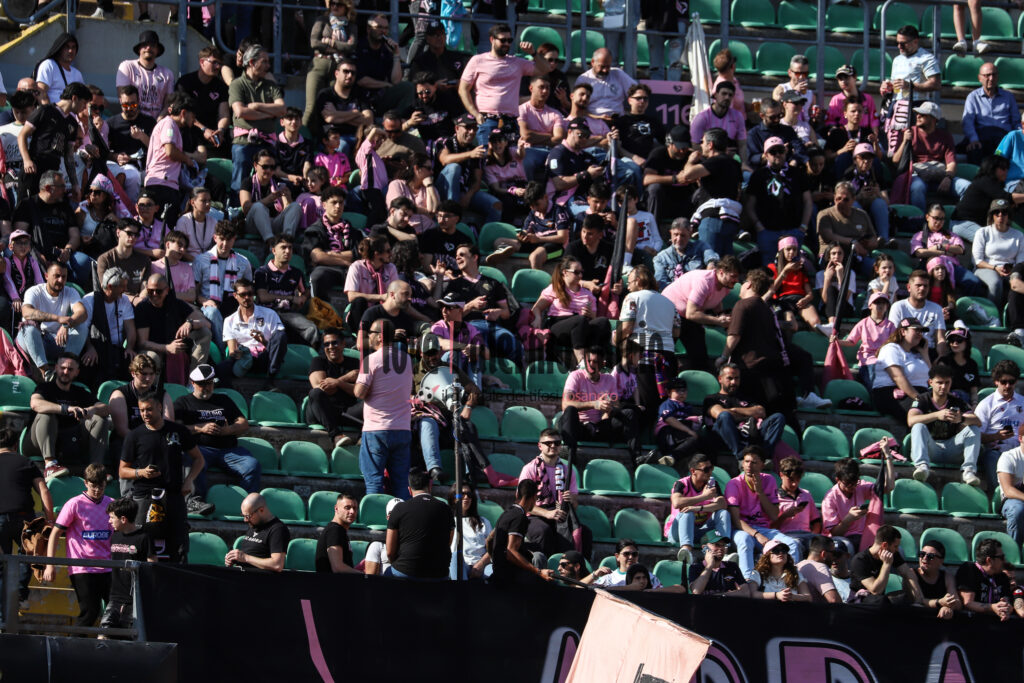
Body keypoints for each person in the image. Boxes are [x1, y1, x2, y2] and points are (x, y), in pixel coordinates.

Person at [119, 392, 203, 563]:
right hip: (144, 496)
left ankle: (177, 577)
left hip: (173, 495)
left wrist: (189, 480)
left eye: (149, 409)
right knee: (143, 544)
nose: (145, 414)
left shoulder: (178, 431)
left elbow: (199, 459)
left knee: (179, 546)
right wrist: (141, 472)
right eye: (142, 410)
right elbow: (122, 471)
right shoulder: (134, 435)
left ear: (159, 407)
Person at [174, 363, 261, 503]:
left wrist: (229, 430)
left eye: (210, 383)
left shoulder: (223, 399)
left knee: (252, 465)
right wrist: (200, 428)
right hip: (200, 449)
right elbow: (175, 428)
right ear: (193, 383)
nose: (207, 387)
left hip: (229, 450)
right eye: (202, 384)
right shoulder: (183, 402)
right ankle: (196, 501)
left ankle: (248, 505)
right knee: (192, 460)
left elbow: (244, 423)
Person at [41, 464, 112, 627]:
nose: (97, 490)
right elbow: (55, 533)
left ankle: (108, 640)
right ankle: (73, 641)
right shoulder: (75, 504)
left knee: (115, 610)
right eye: (93, 486)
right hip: (82, 567)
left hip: (108, 567)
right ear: (86, 483)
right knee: (90, 611)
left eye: (101, 486)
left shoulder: (111, 504)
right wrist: (50, 565)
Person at [458, 24, 549, 146]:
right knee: (487, 156)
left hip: (510, 121)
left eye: (509, 40)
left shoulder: (517, 62)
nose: (506, 43)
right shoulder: (478, 60)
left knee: (511, 156)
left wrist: (533, 53)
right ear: (492, 40)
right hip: (487, 119)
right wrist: (475, 114)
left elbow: (545, 69)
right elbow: (463, 89)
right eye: (503, 40)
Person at [28, 352, 109, 482]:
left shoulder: (79, 392)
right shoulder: (45, 388)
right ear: (56, 368)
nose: (65, 372)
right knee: (46, 414)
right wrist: (66, 409)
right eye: (63, 368)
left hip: (71, 439)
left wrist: (91, 410)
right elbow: (35, 404)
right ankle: (50, 464)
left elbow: (105, 408)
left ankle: (96, 469)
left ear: (77, 372)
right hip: (39, 440)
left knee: (99, 419)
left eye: (70, 369)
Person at [0, 427, 54, 621]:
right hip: (24, 518)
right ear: (16, 445)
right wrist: (49, 520)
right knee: (30, 555)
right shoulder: (25, 462)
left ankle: (2, 619)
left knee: (1, 566)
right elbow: (43, 490)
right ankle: (20, 594)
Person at [356, 319, 413, 497]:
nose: (369, 338)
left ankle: (374, 515)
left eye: (371, 334)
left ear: (380, 337)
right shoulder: (407, 359)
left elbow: (359, 392)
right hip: (402, 428)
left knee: (374, 483)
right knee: (401, 485)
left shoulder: (370, 360)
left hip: (376, 430)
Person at [559, 346, 641, 466]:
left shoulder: (609, 379)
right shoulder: (575, 376)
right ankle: (570, 455)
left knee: (629, 413)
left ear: (603, 364)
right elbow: (565, 404)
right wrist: (594, 404)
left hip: (600, 427)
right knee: (570, 410)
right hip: (580, 427)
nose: (591, 365)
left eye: (596, 362)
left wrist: (609, 407)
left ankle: (637, 457)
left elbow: (616, 404)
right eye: (589, 361)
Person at [517, 427, 587, 560]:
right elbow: (522, 504)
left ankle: (577, 568)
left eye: (557, 443)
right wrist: (547, 513)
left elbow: (575, 505)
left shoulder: (567, 470)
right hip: (534, 516)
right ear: (540, 446)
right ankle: (543, 568)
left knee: (584, 533)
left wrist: (571, 500)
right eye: (548, 443)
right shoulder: (530, 469)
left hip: (560, 513)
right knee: (544, 531)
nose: (553, 446)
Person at [445, 244, 521, 365]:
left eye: (462, 255)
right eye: (456, 256)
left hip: (493, 326)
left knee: (514, 344)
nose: (457, 258)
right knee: (479, 345)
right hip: (469, 325)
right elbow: (449, 317)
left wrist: (498, 312)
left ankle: (515, 375)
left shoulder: (493, 283)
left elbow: (506, 312)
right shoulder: (454, 285)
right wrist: (471, 305)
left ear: (475, 257)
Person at [908, 364, 983, 485]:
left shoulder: (956, 401)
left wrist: (961, 418)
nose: (943, 386)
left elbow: (977, 421)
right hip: (931, 448)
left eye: (947, 383)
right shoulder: (922, 399)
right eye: (939, 382)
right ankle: (922, 466)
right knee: (918, 426)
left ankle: (968, 471)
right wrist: (936, 415)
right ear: (931, 382)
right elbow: (911, 420)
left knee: (973, 429)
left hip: (952, 448)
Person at [663, 255, 740, 372]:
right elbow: (691, 314)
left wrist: (721, 314)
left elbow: (716, 300)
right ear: (721, 272)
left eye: (738, 277)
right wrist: (718, 321)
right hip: (670, 314)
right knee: (666, 356)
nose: (737, 280)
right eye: (733, 276)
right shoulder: (705, 282)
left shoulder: (726, 284)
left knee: (700, 357)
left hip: (687, 316)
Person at [228, 45, 287, 193]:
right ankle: (237, 205)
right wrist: (269, 113)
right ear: (252, 62)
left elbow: (282, 109)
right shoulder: (237, 84)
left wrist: (256, 106)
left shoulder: (271, 86)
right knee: (240, 180)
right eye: (264, 61)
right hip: (244, 142)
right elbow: (240, 111)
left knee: (269, 181)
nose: (268, 65)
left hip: (266, 142)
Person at [135, 274, 212, 384]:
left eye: (158, 291)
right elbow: (142, 343)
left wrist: (190, 323)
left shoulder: (175, 304)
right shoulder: (142, 308)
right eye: (150, 291)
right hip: (154, 349)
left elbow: (207, 324)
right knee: (152, 357)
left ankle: (194, 380)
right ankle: (154, 390)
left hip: (176, 347)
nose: (154, 294)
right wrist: (167, 348)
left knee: (204, 332)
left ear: (167, 290)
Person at [892, 101, 969, 212]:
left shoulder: (945, 136)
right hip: (917, 175)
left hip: (939, 176)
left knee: (966, 186)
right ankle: (919, 219)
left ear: (934, 119)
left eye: (923, 114)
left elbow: (951, 162)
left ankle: (958, 218)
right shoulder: (909, 132)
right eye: (917, 113)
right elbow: (895, 160)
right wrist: (904, 141)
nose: (918, 116)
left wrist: (948, 178)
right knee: (917, 188)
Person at [746, 136, 812, 266]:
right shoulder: (758, 175)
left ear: (785, 152)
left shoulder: (797, 173)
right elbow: (750, 204)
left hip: (793, 230)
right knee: (769, 269)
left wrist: (803, 226)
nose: (777, 154)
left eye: (780, 151)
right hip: (768, 231)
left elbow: (808, 201)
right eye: (773, 151)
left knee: (793, 268)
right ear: (766, 155)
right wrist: (758, 226)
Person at [531, 256, 610, 362]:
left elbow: (593, 319)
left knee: (603, 322)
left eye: (581, 272)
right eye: (576, 272)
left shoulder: (587, 294)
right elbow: (537, 307)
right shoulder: (555, 289)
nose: (580, 275)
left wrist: (591, 314)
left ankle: (595, 359)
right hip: (559, 327)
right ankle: (581, 361)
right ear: (565, 272)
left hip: (581, 327)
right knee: (579, 320)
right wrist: (537, 317)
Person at [17, 261, 89, 377]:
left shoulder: (70, 291)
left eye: (64, 277)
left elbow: (82, 313)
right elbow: (26, 312)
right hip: (35, 340)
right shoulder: (34, 291)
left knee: (82, 327)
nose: (61, 280)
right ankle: (46, 372)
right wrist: (58, 319)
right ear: (46, 276)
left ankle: (65, 367)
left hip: (57, 340)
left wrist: (66, 325)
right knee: (28, 328)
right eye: (57, 276)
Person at [681, 128, 744, 257]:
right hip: (730, 220)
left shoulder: (715, 161)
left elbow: (687, 175)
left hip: (713, 219)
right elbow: (737, 191)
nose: (700, 145)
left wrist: (690, 161)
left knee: (710, 262)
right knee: (725, 265)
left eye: (702, 142)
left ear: (710, 145)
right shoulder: (734, 163)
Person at [385, 468, 454, 580]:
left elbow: (389, 552)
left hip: (405, 572)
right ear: (430, 487)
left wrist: (400, 566)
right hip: (439, 574)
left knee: (388, 574)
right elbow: (448, 542)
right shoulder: (446, 509)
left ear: (409, 490)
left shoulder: (399, 508)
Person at [99, 497, 155, 635]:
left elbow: (152, 566)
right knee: (103, 634)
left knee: (131, 636)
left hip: (135, 599)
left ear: (123, 519)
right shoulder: (115, 536)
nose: (109, 521)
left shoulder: (144, 537)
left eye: (112, 518)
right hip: (115, 597)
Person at [194, 222, 254, 345]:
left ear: (234, 239)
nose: (225, 244)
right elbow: (195, 292)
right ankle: (225, 351)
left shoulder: (243, 262)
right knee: (213, 312)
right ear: (215, 237)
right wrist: (204, 301)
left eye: (229, 240)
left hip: (233, 305)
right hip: (209, 306)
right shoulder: (201, 260)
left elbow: (249, 290)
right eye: (222, 239)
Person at [218, 278, 288, 383]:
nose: (247, 297)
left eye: (250, 294)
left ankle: (271, 379)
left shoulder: (269, 314)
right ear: (235, 295)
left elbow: (279, 342)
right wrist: (237, 353)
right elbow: (232, 350)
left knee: (280, 334)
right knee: (221, 368)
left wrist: (263, 341)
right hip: (244, 358)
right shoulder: (229, 320)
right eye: (243, 294)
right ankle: (229, 390)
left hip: (265, 357)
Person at [254, 234, 319, 347]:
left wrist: (303, 297)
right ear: (274, 250)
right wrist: (292, 298)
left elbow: (306, 290)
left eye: (290, 248)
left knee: (311, 329)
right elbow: (263, 297)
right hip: (267, 313)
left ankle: (307, 355)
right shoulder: (262, 272)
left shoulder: (296, 273)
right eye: (283, 247)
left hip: (288, 314)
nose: (287, 251)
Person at [143, 93, 198, 226]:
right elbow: (170, 151)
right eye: (193, 116)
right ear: (183, 113)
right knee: (164, 228)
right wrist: (187, 160)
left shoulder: (172, 126)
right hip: (162, 183)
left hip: (165, 183)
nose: (194, 120)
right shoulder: (169, 124)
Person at [665, 453, 730, 563]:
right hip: (678, 532)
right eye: (706, 469)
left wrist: (698, 508)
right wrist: (704, 496)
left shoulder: (712, 484)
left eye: (711, 468)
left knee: (723, 513)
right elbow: (677, 502)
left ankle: (724, 550)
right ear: (693, 471)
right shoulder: (681, 484)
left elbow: (722, 504)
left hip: (699, 531)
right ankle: (686, 550)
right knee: (687, 512)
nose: (710, 472)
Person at [822, 454, 895, 552]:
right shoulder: (829, 499)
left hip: (862, 536)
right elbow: (835, 533)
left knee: (890, 547)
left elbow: (888, 487)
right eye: (848, 484)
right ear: (838, 480)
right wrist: (849, 519)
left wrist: (888, 458)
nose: (852, 487)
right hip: (841, 538)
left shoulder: (860, 487)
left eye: (855, 482)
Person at [302, 185, 364, 300]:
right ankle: (320, 309)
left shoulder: (352, 231)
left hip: (349, 270)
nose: (338, 206)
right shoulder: (314, 230)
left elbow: (358, 254)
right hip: (327, 269)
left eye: (341, 202)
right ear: (324, 205)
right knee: (317, 276)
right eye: (334, 202)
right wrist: (345, 261)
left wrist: (329, 254)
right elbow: (318, 257)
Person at [490, 479, 556, 584]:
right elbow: (511, 551)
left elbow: (489, 539)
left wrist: (496, 563)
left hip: (498, 574)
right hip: (510, 578)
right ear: (534, 497)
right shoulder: (520, 517)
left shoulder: (506, 513)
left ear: (517, 494)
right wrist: (538, 572)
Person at [174, 46, 231, 158]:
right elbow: (183, 114)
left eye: (219, 63)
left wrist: (221, 130)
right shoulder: (185, 83)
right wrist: (203, 129)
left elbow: (224, 115)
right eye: (214, 62)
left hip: (213, 134)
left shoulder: (221, 87)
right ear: (202, 62)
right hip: (191, 131)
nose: (217, 66)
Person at [848, 525, 924, 605]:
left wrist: (918, 599)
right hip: (860, 602)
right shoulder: (859, 560)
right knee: (881, 601)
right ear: (884, 545)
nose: (897, 550)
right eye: (895, 546)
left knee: (904, 597)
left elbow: (907, 573)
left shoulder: (893, 553)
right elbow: (875, 591)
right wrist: (886, 565)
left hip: (880, 601)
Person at [872, 317, 932, 421]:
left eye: (921, 331)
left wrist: (925, 353)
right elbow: (898, 378)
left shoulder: (917, 353)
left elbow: (932, 376)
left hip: (917, 394)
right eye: (916, 330)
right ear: (903, 331)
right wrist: (920, 399)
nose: (920, 334)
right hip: (893, 393)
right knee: (927, 414)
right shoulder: (891, 349)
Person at [817, 181, 879, 279]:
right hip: (832, 257)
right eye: (838, 198)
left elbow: (873, 238)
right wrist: (852, 242)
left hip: (858, 256)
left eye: (846, 199)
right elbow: (828, 236)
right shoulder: (825, 214)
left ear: (853, 199)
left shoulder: (862, 215)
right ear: (834, 197)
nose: (841, 202)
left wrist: (870, 243)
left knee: (880, 270)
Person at [354, 15, 413, 115]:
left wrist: (396, 55)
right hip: (360, 98)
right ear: (368, 29)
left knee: (408, 87)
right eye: (379, 27)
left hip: (380, 96)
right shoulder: (359, 47)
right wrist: (385, 84)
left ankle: (397, 120)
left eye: (386, 28)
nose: (383, 31)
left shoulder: (386, 50)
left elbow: (396, 81)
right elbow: (361, 80)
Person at [962, 62, 1019, 165]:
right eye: (987, 75)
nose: (991, 78)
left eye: (994, 75)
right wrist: (973, 139)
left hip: (1003, 137)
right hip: (982, 137)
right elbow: (968, 121)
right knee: (973, 149)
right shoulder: (973, 97)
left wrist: (1019, 138)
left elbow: (1016, 121)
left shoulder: (1009, 97)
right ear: (980, 78)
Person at [978, 360, 1024, 487]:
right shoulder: (987, 404)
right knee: (991, 457)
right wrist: (996, 436)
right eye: (1003, 382)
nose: (1008, 385)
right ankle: (1000, 494)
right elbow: (977, 435)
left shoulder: (1022, 402)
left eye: (1011, 382)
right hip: (996, 451)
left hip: (1020, 450)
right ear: (996, 382)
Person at [951, 155, 1016, 244]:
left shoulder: (995, 184)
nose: (1006, 171)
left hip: (977, 224)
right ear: (992, 168)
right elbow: (1007, 198)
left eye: (1007, 169)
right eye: (1003, 168)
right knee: (993, 243)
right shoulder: (984, 181)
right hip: (962, 223)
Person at [311, 58, 373, 148]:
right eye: (346, 71)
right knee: (342, 146)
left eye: (353, 73)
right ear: (336, 73)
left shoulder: (360, 94)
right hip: (331, 140)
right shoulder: (325, 94)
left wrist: (336, 114)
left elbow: (369, 120)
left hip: (356, 137)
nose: (350, 75)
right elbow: (329, 118)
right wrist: (356, 113)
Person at [956, 538, 1024, 620]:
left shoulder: (1002, 576)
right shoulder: (969, 570)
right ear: (989, 560)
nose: (1004, 560)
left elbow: (1007, 601)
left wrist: (1007, 608)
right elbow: (968, 603)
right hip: (972, 622)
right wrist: (992, 607)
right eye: (1001, 557)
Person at [973, 198, 1024, 303]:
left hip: (1011, 270)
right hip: (987, 268)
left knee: (1018, 284)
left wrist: (1012, 271)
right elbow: (977, 261)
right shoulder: (982, 232)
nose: (1000, 215)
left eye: (1004, 212)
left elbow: (1021, 261)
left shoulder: (1019, 235)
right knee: (996, 283)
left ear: (1008, 215)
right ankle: (994, 312)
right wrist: (995, 268)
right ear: (992, 215)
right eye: (997, 212)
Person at [642, 125, 695, 224]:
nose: (682, 151)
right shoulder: (658, 154)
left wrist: (693, 162)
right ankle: (653, 227)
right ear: (670, 144)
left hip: (684, 199)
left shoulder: (690, 156)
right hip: (664, 199)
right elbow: (646, 179)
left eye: (685, 147)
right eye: (679, 147)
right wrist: (675, 179)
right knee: (654, 188)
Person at [116, 31, 175, 120]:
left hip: (157, 123)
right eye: (144, 45)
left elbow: (168, 104)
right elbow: (123, 98)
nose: (148, 48)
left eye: (152, 45)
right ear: (139, 49)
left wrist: (158, 121)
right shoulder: (127, 67)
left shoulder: (167, 74)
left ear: (157, 50)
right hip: (132, 120)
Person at [225, 492, 289, 572]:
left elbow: (277, 565)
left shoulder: (278, 529)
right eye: (243, 516)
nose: (245, 520)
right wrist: (233, 558)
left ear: (261, 510)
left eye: (247, 516)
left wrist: (245, 558)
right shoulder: (255, 523)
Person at [888, 270, 948, 353]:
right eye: (918, 285)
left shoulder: (936, 308)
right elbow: (894, 335)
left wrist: (941, 356)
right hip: (904, 350)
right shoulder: (898, 307)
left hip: (929, 350)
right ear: (909, 287)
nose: (922, 288)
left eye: (925, 286)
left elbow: (940, 338)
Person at [688, 82, 746, 164]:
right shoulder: (701, 118)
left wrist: (744, 164)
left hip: (731, 160)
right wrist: (719, 154)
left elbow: (742, 144)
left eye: (730, 95)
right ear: (715, 95)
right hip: (707, 160)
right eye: (724, 93)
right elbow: (694, 145)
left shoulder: (738, 116)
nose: (727, 97)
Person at [773, 457, 822, 552]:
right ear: (781, 475)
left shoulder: (806, 494)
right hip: (785, 536)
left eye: (798, 479)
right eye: (791, 480)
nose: (794, 484)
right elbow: (770, 527)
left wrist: (814, 536)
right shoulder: (774, 496)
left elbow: (816, 522)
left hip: (807, 535)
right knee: (795, 544)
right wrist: (784, 516)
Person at [653, 218, 718, 289]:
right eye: (675, 234)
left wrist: (711, 264)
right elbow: (661, 283)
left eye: (683, 235)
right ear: (670, 233)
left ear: (690, 234)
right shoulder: (661, 258)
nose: (679, 239)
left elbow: (712, 257)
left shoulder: (700, 247)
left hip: (698, 290)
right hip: (672, 293)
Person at [884, 25, 941, 103]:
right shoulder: (897, 59)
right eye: (897, 43)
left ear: (915, 42)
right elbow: (895, 86)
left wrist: (910, 86)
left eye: (903, 43)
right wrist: (887, 87)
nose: (899, 46)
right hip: (896, 103)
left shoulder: (927, 58)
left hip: (917, 104)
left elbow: (936, 84)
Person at [686, 530, 751, 596]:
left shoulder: (732, 566)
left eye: (723, 545)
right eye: (716, 545)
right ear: (704, 548)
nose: (721, 548)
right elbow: (696, 591)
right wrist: (710, 565)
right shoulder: (695, 568)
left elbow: (746, 592)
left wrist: (721, 595)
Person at [447, 484, 492, 579]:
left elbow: (492, 549)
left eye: (469, 494)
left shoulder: (483, 522)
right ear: (454, 497)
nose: (466, 497)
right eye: (462, 494)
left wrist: (481, 563)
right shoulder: (447, 522)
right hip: (459, 565)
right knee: (455, 557)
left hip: (481, 565)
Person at [587, 539, 664, 589]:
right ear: (617, 556)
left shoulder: (649, 577)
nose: (630, 557)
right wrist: (594, 575)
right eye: (626, 554)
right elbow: (581, 588)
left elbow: (662, 594)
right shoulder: (609, 578)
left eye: (634, 554)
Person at [913, 540, 961, 619]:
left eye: (931, 556)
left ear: (941, 561)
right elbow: (918, 600)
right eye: (922, 554)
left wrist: (948, 607)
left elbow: (957, 603)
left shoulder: (947, 577)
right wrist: (940, 603)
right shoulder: (912, 574)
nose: (925, 558)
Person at [315, 493, 359, 573]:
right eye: (347, 508)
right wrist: (363, 575)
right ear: (336, 509)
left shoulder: (339, 530)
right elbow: (337, 568)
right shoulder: (335, 530)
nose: (352, 511)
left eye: (355, 508)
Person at [796, 535, 842, 604]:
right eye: (833, 553)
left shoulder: (798, 566)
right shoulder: (820, 567)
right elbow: (834, 600)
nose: (834, 557)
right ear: (824, 554)